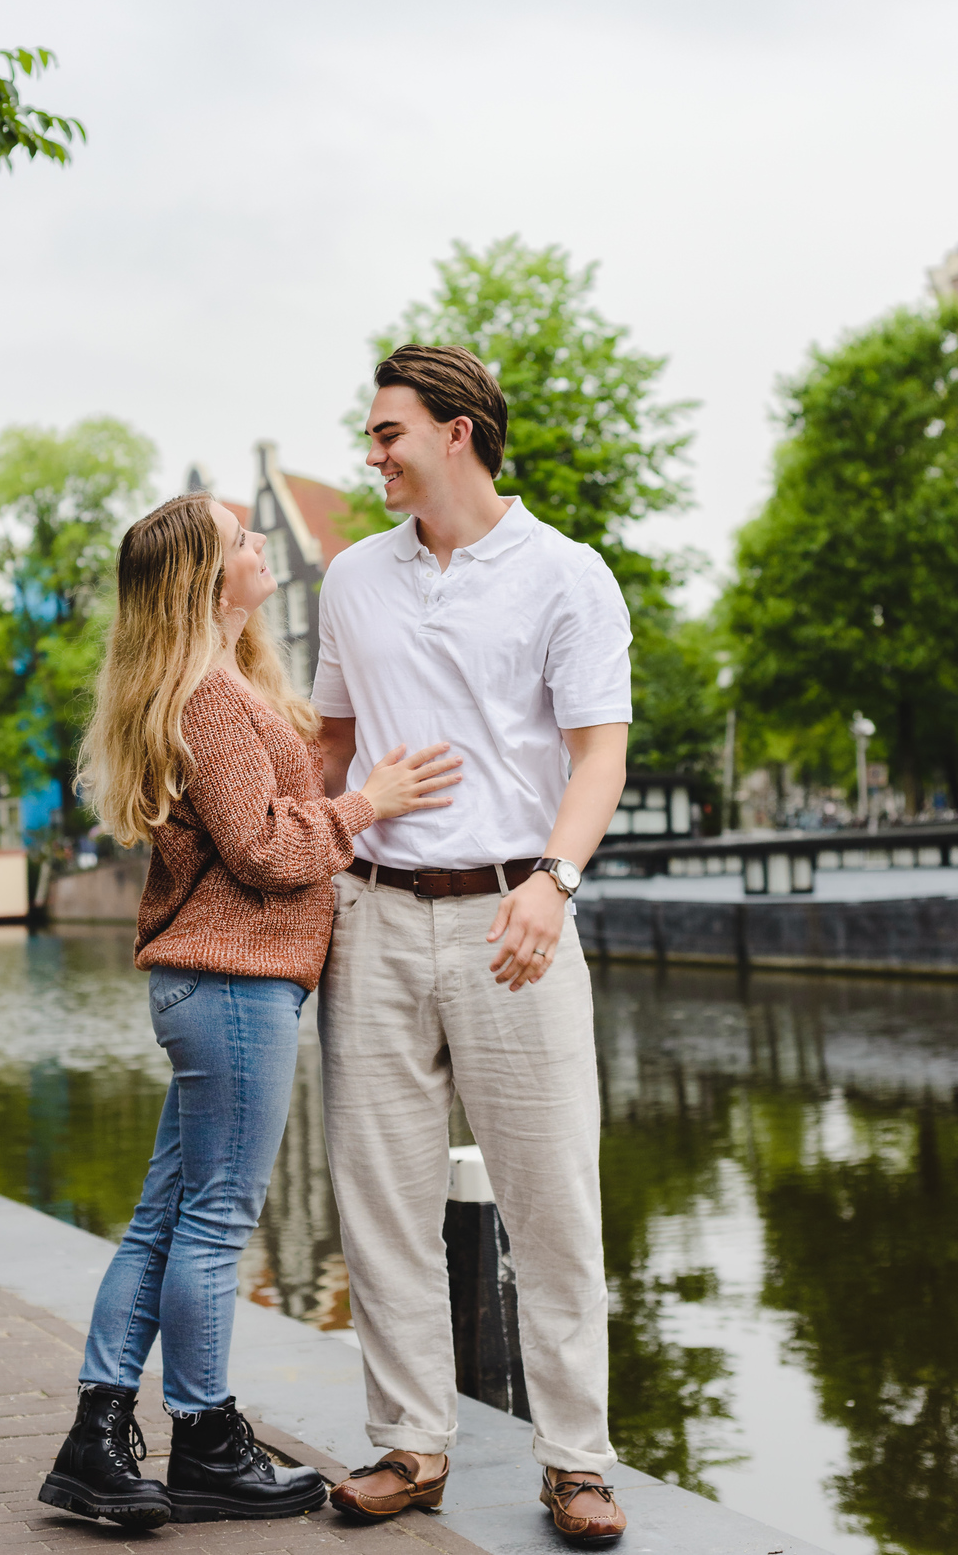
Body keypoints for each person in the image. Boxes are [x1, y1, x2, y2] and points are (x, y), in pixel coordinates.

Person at [37, 491, 461, 1530]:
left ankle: (98, 1436)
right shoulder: (213, 698)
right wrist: (373, 803)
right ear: (205, 577)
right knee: (218, 1221)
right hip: (235, 983)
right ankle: (206, 1436)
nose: (260, 543)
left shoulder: (209, 686)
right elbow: (266, 849)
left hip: (209, 984)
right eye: (241, 539)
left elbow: (264, 818)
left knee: (163, 1218)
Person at [314, 345, 632, 1546]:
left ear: (457, 433)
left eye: (387, 431)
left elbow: (598, 751)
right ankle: (412, 1442)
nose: (372, 452)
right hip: (378, 915)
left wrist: (557, 878)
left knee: (551, 1198)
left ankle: (576, 1461)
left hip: (518, 914)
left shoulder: (567, 575)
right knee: (379, 1194)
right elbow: (331, 747)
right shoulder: (351, 578)